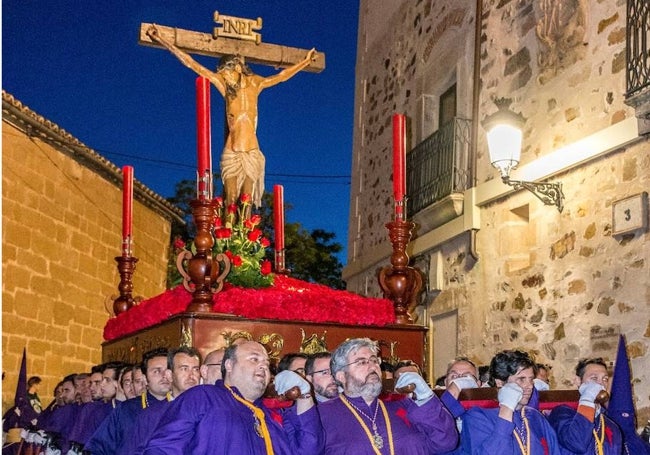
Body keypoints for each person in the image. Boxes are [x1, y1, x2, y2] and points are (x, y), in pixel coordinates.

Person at [147, 24, 316, 209]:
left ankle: (244, 237)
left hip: (251, 151)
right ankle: (226, 234)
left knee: (246, 201)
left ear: (236, 67)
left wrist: (305, 62)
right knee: (231, 199)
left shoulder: (255, 83)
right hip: (232, 151)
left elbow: (283, 76)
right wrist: (163, 41)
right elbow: (192, 63)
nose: (222, 76)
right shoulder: (224, 86)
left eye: (224, 71)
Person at [142, 340, 323, 454]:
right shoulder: (203, 397)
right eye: (254, 359)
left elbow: (309, 449)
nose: (263, 366)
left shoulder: (271, 415)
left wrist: (305, 394)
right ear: (229, 365)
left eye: (267, 363)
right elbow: (163, 449)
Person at [319, 337, 458, 454]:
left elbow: (446, 442)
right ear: (341, 376)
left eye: (374, 360)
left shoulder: (403, 404)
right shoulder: (322, 415)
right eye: (362, 362)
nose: (373, 367)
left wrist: (426, 398)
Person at [461, 350, 560, 454]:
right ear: (500, 382)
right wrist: (506, 409)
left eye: (531, 380)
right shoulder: (477, 417)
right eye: (521, 379)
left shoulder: (536, 417)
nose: (529, 386)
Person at [85, 348, 172, 455]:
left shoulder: (182, 407)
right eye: (157, 371)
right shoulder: (126, 410)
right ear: (145, 378)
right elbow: (98, 448)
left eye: (168, 370)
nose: (164, 376)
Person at [548, 357, 624, 454]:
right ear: (578, 381)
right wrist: (588, 399)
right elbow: (577, 443)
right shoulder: (561, 414)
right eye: (594, 378)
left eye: (605, 379)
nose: (601, 383)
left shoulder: (612, 426)